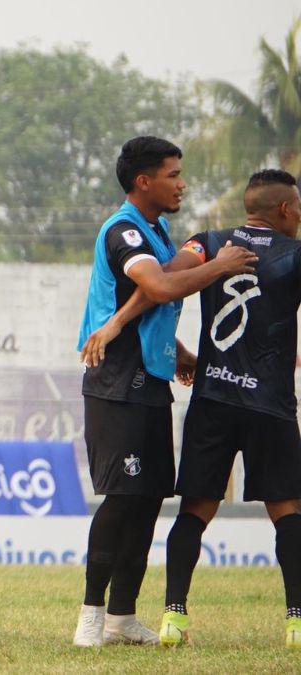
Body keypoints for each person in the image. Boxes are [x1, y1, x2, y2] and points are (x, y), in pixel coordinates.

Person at [83, 169, 301, 648]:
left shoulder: (207, 243)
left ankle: (173, 617)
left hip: (213, 401)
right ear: (285, 209)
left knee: (196, 510)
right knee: (287, 511)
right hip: (270, 405)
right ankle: (296, 621)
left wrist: (118, 321)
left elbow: (163, 281)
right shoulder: (295, 254)